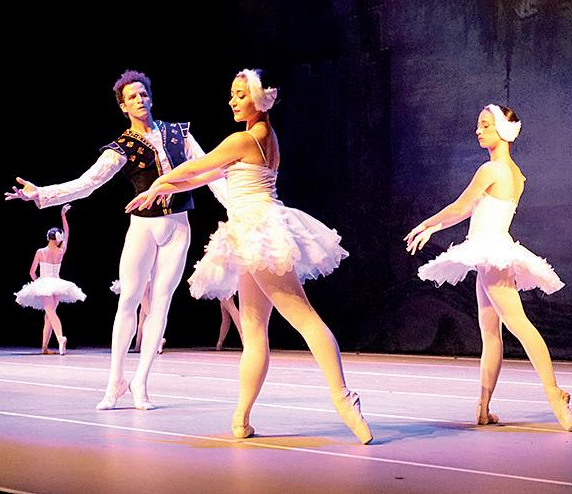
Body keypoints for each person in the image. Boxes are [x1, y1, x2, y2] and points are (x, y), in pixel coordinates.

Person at [126, 69, 372, 443]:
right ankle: (241, 418)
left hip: (258, 230)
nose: (232, 101)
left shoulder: (244, 138)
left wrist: (159, 181)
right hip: (250, 232)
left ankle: (344, 399)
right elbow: (201, 178)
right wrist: (160, 190)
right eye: (232, 94)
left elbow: (195, 166)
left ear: (259, 98)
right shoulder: (266, 136)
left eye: (240, 95)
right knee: (254, 331)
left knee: (303, 318)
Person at [6, 69, 226, 410]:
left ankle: (141, 382)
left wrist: (239, 208)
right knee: (129, 301)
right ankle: (115, 381)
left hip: (178, 225)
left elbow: (208, 172)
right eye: (132, 97)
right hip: (143, 227)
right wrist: (42, 194)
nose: (140, 100)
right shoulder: (121, 147)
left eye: (143, 94)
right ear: (123, 106)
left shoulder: (178, 133)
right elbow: (87, 183)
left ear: (151, 97)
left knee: (161, 303)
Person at [405, 104, 569, 430]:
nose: (478, 131)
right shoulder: (516, 174)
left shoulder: (491, 170)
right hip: (490, 252)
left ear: (503, 131)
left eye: (485, 125)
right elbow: (471, 210)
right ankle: (483, 408)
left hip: (492, 251)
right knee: (491, 333)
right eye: (479, 125)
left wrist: (427, 224)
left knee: (518, 324)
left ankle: (555, 396)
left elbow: (461, 207)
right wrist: (434, 227)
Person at [15, 204, 85, 355]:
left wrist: (37, 283)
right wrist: (63, 216)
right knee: (49, 316)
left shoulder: (41, 252)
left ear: (48, 237)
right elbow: (67, 233)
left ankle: (60, 337)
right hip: (57, 284)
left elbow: (32, 272)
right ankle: (44, 348)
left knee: (50, 313)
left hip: (45, 283)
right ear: (58, 239)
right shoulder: (61, 251)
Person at [110, 278, 165, 353]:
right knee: (143, 311)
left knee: (145, 305)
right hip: (148, 276)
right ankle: (138, 345)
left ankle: (159, 339)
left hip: (144, 276)